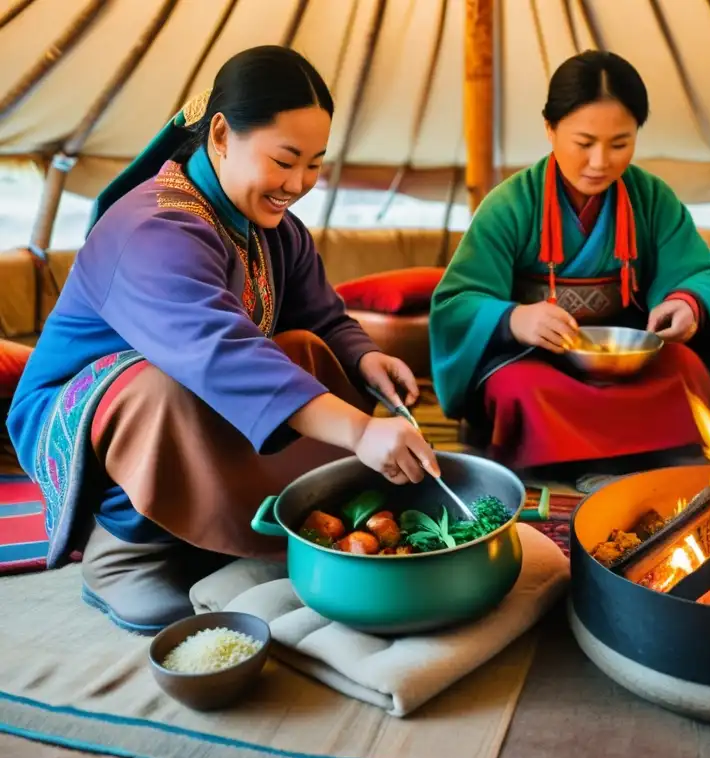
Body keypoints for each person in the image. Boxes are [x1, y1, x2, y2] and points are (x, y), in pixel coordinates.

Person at [6, 46, 438, 633]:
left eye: (314, 164)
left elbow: (324, 316)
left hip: (203, 392)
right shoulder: (149, 226)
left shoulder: (275, 229)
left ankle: (230, 525)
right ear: (220, 134)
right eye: (285, 160)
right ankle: (123, 553)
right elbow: (220, 351)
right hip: (85, 415)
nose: (299, 183)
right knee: (163, 387)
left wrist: (366, 359)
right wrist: (359, 431)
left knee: (310, 351)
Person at [429, 50, 710, 469]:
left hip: (630, 358)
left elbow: (705, 274)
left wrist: (686, 302)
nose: (600, 162)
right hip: (539, 362)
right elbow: (456, 303)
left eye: (620, 143)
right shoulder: (508, 205)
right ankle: (601, 458)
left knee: (688, 370)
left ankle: (605, 458)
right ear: (550, 128)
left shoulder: (651, 198)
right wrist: (514, 319)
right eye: (584, 143)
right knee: (518, 391)